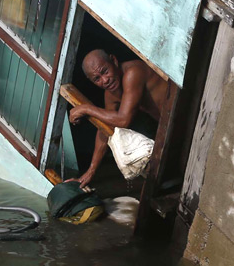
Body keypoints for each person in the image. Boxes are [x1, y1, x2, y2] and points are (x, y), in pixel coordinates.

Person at [68, 49, 172, 187]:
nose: (105, 80)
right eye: (97, 79)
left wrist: (87, 109)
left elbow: (123, 120)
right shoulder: (111, 93)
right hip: (169, 127)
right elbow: (105, 128)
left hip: (187, 116)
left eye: (105, 71)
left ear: (114, 61)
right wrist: (90, 171)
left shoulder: (133, 72)